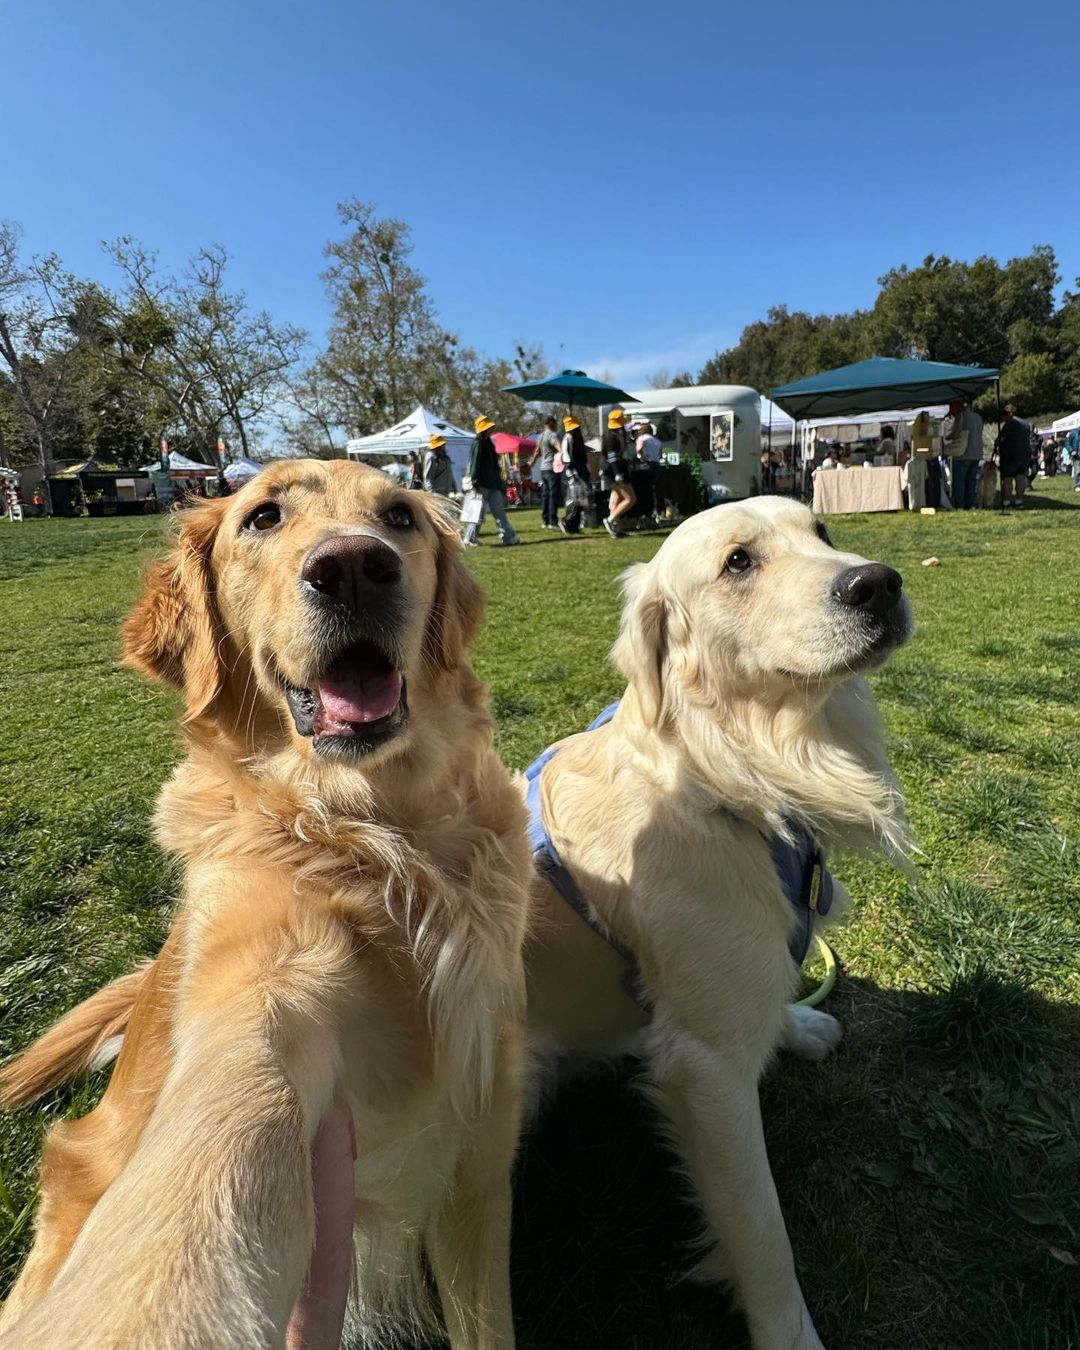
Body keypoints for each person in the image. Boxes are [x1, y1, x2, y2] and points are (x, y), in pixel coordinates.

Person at [462, 415, 518, 546]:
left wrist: (499, 482)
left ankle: (509, 537)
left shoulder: (488, 444)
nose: (490, 430)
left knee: (499, 513)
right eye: (488, 428)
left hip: (492, 485)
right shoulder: (478, 444)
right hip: (481, 485)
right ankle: (469, 538)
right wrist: (475, 483)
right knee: (477, 514)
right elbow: (475, 465)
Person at [600, 409, 635, 536]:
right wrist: (618, 474)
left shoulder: (612, 436)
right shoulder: (612, 438)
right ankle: (610, 520)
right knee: (630, 499)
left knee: (617, 498)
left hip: (612, 472)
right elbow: (613, 458)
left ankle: (616, 528)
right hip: (614, 473)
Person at [943, 398, 983, 510]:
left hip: (963, 454)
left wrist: (947, 437)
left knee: (959, 481)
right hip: (976, 453)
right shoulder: (978, 417)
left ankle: (960, 505)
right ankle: (969, 504)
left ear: (957, 407)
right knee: (971, 481)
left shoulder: (961, 416)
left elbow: (955, 433)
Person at [995, 403, 1031, 508]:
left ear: (1009, 413)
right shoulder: (1025, 423)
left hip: (1010, 455)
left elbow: (1001, 439)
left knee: (1007, 479)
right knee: (1020, 477)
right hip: (1024, 454)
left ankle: (1007, 501)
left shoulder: (1009, 423)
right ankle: (1019, 501)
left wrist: (997, 442)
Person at [560, 415, 591, 533]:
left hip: (574, 470)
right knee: (577, 500)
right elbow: (572, 458)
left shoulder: (567, 438)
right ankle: (568, 521)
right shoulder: (570, 438)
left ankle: (574, 525)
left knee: (579, 499)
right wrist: (575, 472)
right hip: (575, 471)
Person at [530, 415, 562, 530]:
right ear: (550, 423)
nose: (556, 425)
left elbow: (537, 451)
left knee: (545, 495)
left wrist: (532, 463)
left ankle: (545, 520)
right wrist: (564, 454)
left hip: (543, 469)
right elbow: (558, 447)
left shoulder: (541, 436)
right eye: (555, 423)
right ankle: (553, 522)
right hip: (552, 468)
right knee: (553, 495)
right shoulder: (552, 435)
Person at [635, 420, 663, 520]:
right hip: (656, 465)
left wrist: (642, 457)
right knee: (655, 489)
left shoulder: (642, 439)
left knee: (645, 490)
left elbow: (639, 449)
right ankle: (658, 510)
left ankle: (646, 512)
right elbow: (660, 455)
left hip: (646, 465)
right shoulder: (657, 441)